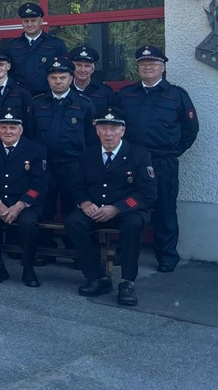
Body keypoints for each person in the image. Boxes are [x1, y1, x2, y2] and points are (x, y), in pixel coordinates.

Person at [116, 46, 199, 272]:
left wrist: (174, 151)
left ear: (163, 67)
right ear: (138, 68)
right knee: (128, 207)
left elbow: (191, 129)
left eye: (152, 63)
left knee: (165, 209)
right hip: (131, 163)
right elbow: (114, 126)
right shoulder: (126, 94)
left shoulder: (177, 95)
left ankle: (167, 255)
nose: (147, 67)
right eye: (143, 64)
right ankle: (125, 253)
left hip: (163, 162)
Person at [64, 107, 157, 306]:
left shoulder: (139, 155)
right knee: (73, 222)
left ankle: (127, 282)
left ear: (122, 131)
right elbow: (77, 185)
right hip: (96, 209)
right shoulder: (87, 155)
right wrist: (85, 202)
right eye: (104, 128)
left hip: (127, 211)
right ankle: (97, 277)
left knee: (133, 225)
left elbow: (147, 193)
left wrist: (118, 207)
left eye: (113, 129)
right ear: (97, 131)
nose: (108, 134)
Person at [30, 58, 96, 263]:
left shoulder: (84, 104)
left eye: (62, 77)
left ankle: (76, 250)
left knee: (73, 209)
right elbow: (31, 135)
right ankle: (45, 249)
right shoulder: (37, 103)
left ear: (71, 78)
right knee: (44, 207)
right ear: (48, 80)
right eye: (54, 78)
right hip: (44, 165)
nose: (58, 81)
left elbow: (91, 140)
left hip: (73, 165)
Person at [0, 107, 48, 287]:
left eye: (13, 127)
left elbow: (39, 184)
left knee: (28, 223)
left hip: (25, 203)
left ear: (21, 130)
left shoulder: (35, 149)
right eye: (3, 127)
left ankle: (28, 267)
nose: (8, 131)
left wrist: (19, 205)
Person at [0, 2, 68, 98]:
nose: (29, 24)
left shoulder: (55, 44)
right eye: (26, 21)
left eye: (33, 20)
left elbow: (65, 72)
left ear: (41, 21)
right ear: (22, 22)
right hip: (19, 97)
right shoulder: (12, 46)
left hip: (47, 98)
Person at [69, 45, 117, 117]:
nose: (82, 70)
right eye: (79, 65)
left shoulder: (105, 92)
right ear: (72, 67)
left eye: (87, 66)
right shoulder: (65, 89)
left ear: (93, 69)